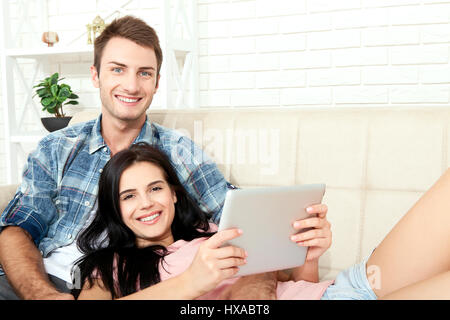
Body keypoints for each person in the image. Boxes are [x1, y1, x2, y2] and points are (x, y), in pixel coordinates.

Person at [0, 15, 328, 300]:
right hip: (40, 281)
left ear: (157, 82)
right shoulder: (57, 147)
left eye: (144, 73)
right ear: (96, 75)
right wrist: (41, 294)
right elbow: (16, 229)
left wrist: (259, 284)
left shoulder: (180, 153)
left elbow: (243, 225)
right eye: (117, 70)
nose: (131, 85)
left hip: (121, 284)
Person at [75, 142, 333, 300]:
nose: (146, 203)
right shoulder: (109, 266)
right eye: (129, 196)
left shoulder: (213, 235)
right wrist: (191, 281)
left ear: (174, 193)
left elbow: (301, 288)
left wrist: (308, 258)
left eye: (155, 189)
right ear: (115, 208)